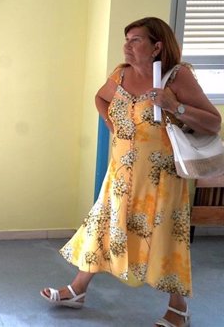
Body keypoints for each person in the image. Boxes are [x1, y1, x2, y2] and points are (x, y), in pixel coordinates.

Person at [40, 17, 221, 326]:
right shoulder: (121, 75)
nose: (126, 45)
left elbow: (213, 122)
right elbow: (101, 97)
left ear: (157, 47)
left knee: (166, 238)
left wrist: (174, 106)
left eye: (135, 40)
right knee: (102, 227)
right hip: (121, 175)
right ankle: (77, 290)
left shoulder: (177, 77)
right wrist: (111, 124)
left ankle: (179, 310)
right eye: (126, 39)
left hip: (162, 179)